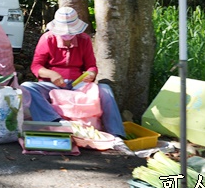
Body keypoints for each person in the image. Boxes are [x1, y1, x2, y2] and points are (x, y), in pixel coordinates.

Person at [20, 7, 126, 136]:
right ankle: (55, 122)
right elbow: (36, 66)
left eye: (71, 32)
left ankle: (116, 133)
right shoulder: (47, 39)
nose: (67, 35)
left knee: (105, 89)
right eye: (63, 33)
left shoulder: (84, 39)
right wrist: (51, 74)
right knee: (27, 87)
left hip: (78, 85)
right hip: (53, 85)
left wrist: (91, 74)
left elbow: (91, 66)